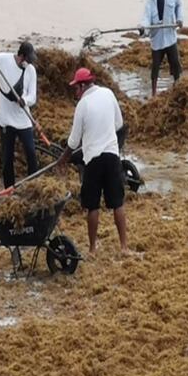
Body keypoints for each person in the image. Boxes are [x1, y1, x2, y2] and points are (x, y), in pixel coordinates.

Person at [58, 68, 128, 255]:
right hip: (112, 155)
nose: (75, 92)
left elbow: (73, 141)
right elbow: (118, 124)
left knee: (93, 206)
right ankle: (124, 247)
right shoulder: (108, 93)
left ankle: (92, 249)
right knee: (117, 203)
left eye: (76, 88)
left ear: (82, 86)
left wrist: (63, 159)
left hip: (93, 160)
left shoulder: (83, 104)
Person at [0, 42, 39, 189]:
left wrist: (24, 100)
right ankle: (9, 189)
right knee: (7, 158)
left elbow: (33, 96)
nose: (29, 63)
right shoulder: (3, 60)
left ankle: (33, 185)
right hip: (6, 120)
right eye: (28, 59)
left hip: (23, 120)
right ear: (21, 56)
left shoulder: (31, 70)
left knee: (31, 153)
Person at [139, 0, 184, 97]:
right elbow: (146, 18)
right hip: (157, 39)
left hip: (170, 37)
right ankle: (154, 93)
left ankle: (178, 87)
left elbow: (179, 6)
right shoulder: (151, 0)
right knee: (155, 68)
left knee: (175, 65)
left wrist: (179, 19)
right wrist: (143, 28)